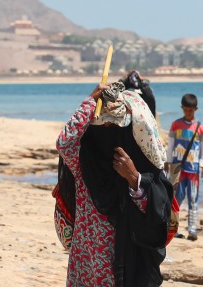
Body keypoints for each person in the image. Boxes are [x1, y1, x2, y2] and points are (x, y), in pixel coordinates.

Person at [53, 77, 172, 287]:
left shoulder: (139, 168)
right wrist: (90, 102)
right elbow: (64, 143)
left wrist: (134, 178)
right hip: (85, 263)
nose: (106, 132)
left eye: (113, 127)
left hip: (121, 263)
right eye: (101, 127)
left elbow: (157, 211)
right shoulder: (84, 164)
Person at [167, 93, 203, 241]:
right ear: (182, 108)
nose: (187, 113)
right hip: (177, 169)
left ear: (195, 109)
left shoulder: (201, 127)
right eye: (185, 110)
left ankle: (192, 230)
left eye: (190, 110)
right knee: (176, 199)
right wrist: (168, 161)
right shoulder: (175, 124)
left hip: (193, 170)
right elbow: (171, 145)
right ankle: (173, 228)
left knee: (193, 199)